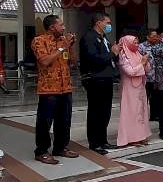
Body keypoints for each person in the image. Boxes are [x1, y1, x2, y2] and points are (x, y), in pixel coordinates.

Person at [31, 15, 79, 164]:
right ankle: (41, 151)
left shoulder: (63, 41)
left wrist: (70, 46)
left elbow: (74, 62)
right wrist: (62, 47)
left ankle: (60, 147)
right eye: (61, 25)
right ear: (52, 27)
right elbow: (45, 61)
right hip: (48, 89)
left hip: (65, 88)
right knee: (45, 121)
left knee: (64, 120)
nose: (64, 28)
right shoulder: (39, 41)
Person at [79, 12, 121, 155]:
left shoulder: (103, 38)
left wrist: (115, 55)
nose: (109, 25)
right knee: (96, 111)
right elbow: (93, 58)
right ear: (98, 23)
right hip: (95, 78)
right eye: (107, 23)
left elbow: (109, 57)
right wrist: (112, 53)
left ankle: (103, 140)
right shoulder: (89, 38)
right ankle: (94, 142)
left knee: (105, 111)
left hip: (106, 78)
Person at [116, 35, 152, 147]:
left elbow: (148, 70)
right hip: (129, 88)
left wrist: (146, 62)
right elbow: (130, 72)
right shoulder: (123, 55)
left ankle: (141, 135)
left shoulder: (137, 53)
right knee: (131, 112)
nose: (136, 45)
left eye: (137, 43)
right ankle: (130, 138)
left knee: (141, 111)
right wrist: (141, 63)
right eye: (134, 43)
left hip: (140, 86)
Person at [139, 29, 160, 121]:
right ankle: (142, 117)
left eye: (156, 36)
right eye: (153, 36)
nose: (155, 38)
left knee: (155, 98)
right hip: (146, 77)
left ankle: (154, 115)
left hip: (157, 76)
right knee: (144, 98)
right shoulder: (141, 46)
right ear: (148, 37)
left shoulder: (159, 46)